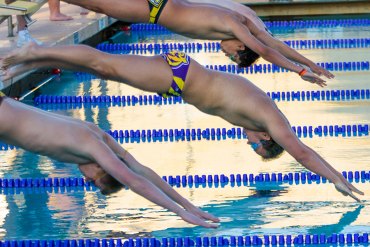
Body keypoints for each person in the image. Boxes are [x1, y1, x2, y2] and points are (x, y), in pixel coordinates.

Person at [0, 43, 363, 202]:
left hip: (178, 78)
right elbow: (301, 152)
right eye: (255, 145)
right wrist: (337, 179)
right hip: (179, 76)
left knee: (104, 65)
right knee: (103, 64)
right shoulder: (270, 118)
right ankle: (31, 53)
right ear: (267, 137)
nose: (248, 143)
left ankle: (30, 61)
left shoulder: (251, 117)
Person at [0, 90, 219, 228]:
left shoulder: (97, 134)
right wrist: (180, 212)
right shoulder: (93, 145)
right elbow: (135, 181)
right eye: (94, 180)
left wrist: (190, 206)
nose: (86, 181)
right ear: (101, 166)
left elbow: (140, 169)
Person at [53, 0, 333, 86]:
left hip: (154, 7)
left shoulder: (246, 22)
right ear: (241, 47)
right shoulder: (235, 25)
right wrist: (299, 72)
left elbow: (272, 43)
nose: (226, 54)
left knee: (97, 6)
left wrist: (310, 63)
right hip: (151, 9)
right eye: (233, 57)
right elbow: (265, 49)